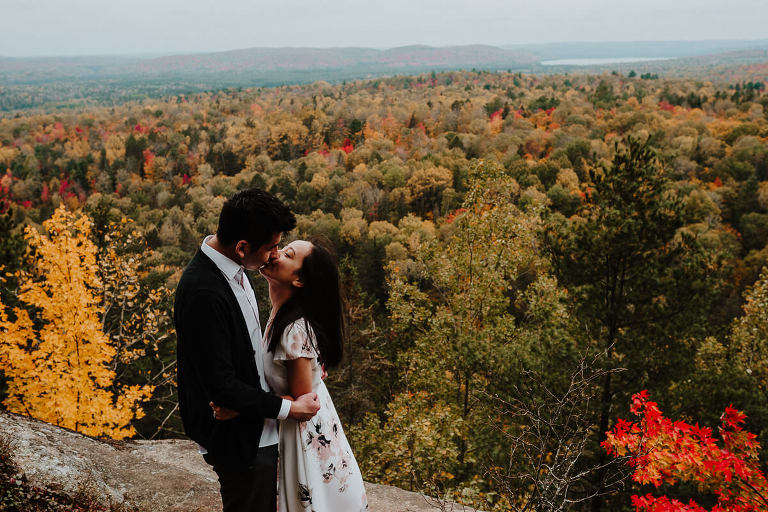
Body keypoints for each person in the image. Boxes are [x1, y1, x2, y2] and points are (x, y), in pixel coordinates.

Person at [174, 188, 321, 512]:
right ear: (242, 247)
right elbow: (221, 386)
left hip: (257, 423)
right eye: (270, 247)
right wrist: (288, 408)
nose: (274, 255)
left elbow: (253, 352)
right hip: (241, 439)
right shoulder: (204, 292)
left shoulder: (237, 271)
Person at [213, 236, 368, 511]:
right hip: (291, 428)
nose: (275, 254)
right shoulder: (282, 315)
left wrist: (242, 408)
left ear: (299, 281)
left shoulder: (294, 330)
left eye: (287, 254)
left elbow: (302, 405)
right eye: (281, 248)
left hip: (303, 435)